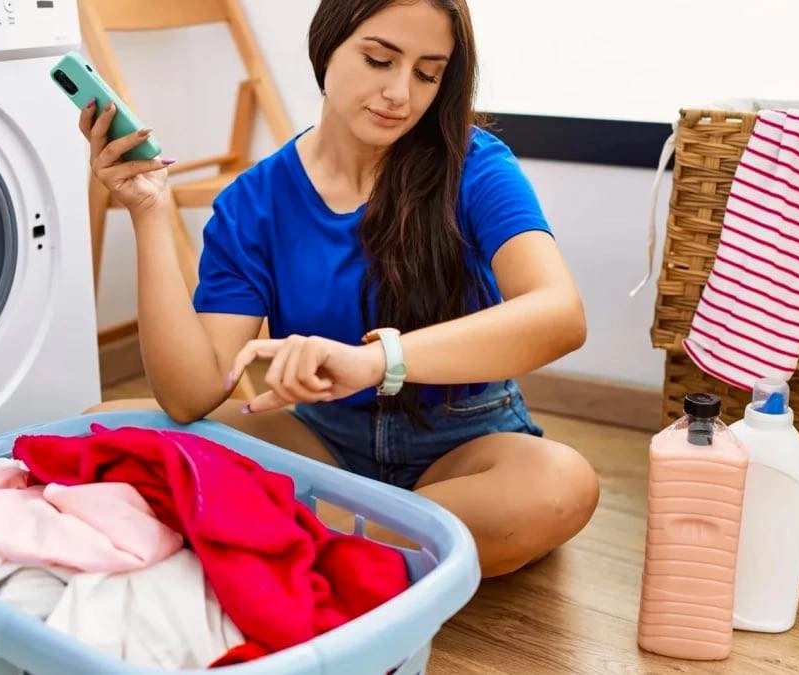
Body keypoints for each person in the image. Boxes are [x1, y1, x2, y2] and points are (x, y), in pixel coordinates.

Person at [80, 0, 598, 578]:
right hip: (324, 443)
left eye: (427, 74)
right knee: (107, 426)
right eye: (380, 60)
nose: (401, 93)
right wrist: (148, 213)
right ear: (327, 45)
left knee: (560, 484)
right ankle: (369, 553)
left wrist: (377, 361)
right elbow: (191, 394)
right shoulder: (256, 202)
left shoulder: (474, 165)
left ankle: (297, 546)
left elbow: (559, 314)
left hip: (465, 443)